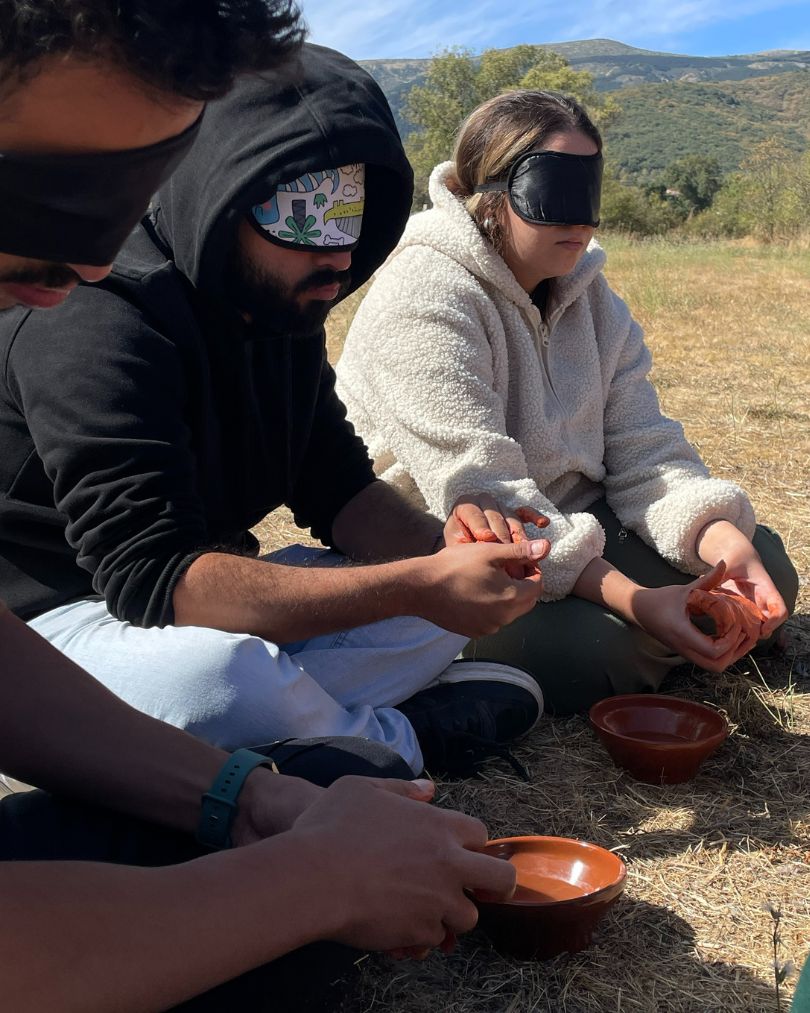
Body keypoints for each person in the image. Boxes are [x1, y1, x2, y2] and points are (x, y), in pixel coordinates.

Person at [0, 7, 517, 1009]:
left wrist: (450, 563)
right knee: (223, 675)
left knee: (285, 933)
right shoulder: (93, 324)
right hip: (82, 615)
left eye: (355, 222)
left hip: (154, 635)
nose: (89, 263)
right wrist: (311, 874)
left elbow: (339, 488)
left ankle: (325, 747)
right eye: (56, 195)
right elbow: (154, 581)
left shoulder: (278, 314)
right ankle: (383, 742)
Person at [335, 89, 799, 714]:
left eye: (590, 193)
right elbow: (487, 494)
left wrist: (721, 542)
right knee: (599, 654)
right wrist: (637, 601)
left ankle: (679, 631)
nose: (581, 222)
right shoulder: (424, 293)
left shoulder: (592, 298)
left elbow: (646, 451)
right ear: (491, 193)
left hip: (581, 516)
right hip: (458, 545)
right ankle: (662, 636)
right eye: (556, 193)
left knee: (765, 565)